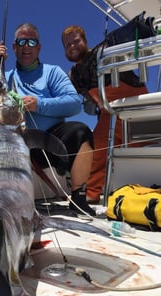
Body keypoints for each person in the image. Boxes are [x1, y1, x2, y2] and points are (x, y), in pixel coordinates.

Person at [0, 23, 96, 216]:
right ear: (14, 47)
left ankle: (78, 200)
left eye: (32, 41)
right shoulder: (5, 77)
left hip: (52, 141)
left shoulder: (52, 72)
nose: (26, 46)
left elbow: (74, 103)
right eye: (21, 41)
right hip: (17, 143)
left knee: (81, 132)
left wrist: (39, 104)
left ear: (39, 47)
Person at [61, 25, 148, 204]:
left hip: (138, 108)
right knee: (94, 145)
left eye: (76, 41)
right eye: (67, 44)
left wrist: (144, 27)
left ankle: (94, 191)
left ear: (85, 41)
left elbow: (133, 34)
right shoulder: (74, 75)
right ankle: (91, 192)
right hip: (110, 114)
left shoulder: (104, 51)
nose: (72, 46)